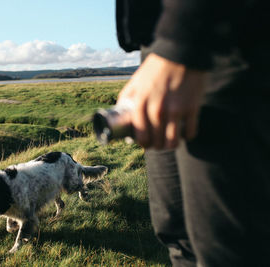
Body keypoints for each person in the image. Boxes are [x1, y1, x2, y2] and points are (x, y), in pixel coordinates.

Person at [115, 0, 270, 266]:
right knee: (177, 233)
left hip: (225, 37)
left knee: (229, 247)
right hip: (160, 43)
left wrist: (180, 42)